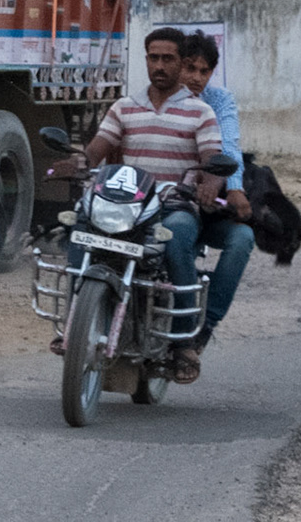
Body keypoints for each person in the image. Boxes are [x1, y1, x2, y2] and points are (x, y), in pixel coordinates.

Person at [76, 26, 224, 383]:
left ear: (181, 62)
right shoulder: (124, 107)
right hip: (127, 204)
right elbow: (97, 149)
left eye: (168, 59)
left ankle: (184, 339)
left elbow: (213, 158)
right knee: (79, 226)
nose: (159, 65)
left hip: (173, 206)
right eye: (153, 57)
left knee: (177, 238)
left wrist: (212, 182)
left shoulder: (200, 112)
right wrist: (78, 163)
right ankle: (76, 318)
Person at [176, 31, 255, 375]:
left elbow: (229, 145)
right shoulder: (154, 98)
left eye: (203, 71)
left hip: (210, 201)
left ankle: (203, 328)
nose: (195, 77)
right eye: (189, 67)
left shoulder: (219, 102)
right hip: (169, 201)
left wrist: (233, 188)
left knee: (243, 239)